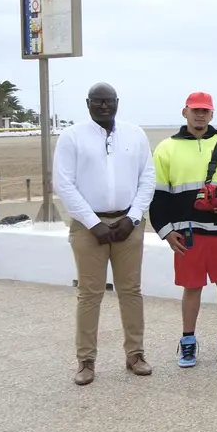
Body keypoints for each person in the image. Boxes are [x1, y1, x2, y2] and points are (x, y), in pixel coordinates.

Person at [53, 82, 156, 385]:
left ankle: (135, 354)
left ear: (117, 102)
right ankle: (86, 361)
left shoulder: (135, 134)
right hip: (88, 229)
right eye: (97, 101)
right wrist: (91, 222)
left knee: (131, 291)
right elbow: (63, 183)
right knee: (89, 295)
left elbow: (147, 178)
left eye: (108, 101)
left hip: (128, 224)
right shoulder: (72, 137)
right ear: (88, 104)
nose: (103, 106)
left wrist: (133, 217)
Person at [149, 92, 217, 368]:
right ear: (184, 112)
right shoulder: (166, 148)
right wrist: (164, 230)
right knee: (192, 287)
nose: (200, 115)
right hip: (186, 232)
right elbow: (158, 195)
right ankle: (188, 341)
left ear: (212, 114)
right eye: (195, 110)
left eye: (205, 111)